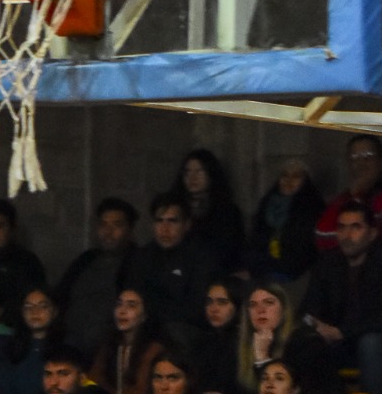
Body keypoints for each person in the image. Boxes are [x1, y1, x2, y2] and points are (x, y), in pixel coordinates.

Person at [302, 201, 382, 394]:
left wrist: (342, 332)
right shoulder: (328, 262)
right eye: (341, 227)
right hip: (341, 340)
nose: (347, 235)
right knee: (306, 341)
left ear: (372, 233)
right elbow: (309, 307)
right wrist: (316, 325)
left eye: (356, 227)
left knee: (370, 343)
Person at [125, 192, 219, 345]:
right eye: (159, 221)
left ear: (187, 224)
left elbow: (197, 308)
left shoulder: (201, 257)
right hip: (145, 328)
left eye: (172, 221)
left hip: (186, 331)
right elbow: (133, 296)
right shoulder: (142, 257)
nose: (165, 228)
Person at [55, 197, 138, 359]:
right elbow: (61, 295)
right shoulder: (86, 260)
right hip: (70, 344)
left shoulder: (137, 263)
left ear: (130, 229)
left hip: (108, 349)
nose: (108, 232)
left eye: (117, 225)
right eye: (104, 225)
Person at [246, 158, 324, 284]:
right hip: (263, 270)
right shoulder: (267, 203)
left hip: (295, 274)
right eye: (284, 175)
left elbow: (306, 249)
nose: (289, 181)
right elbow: (256, 239)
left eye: (296, 176)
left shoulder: (312, 208)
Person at [314, 133, 382, 252]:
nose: (360, 164)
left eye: (367, 157)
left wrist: (358, 195)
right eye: (354, 158)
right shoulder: (347, 197)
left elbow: (376, 230)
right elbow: (323, 237)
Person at [90, 288, 164, 394]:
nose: (122, 311)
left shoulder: (154, 350)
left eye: (131, 305)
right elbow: (93, 381)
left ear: (144, 316)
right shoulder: (108, 347)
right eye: (119, 304)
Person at [172, 147, 245, 272]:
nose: (192, 177)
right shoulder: (175, 207)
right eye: (187, 172)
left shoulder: (226, 211)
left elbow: (233, 249)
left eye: (199, 171)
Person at [4, 287, 61, 394]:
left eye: (43, 306)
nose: (35, 312)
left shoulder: (66, 345)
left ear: (54, 311)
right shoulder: (11, 345)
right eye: (28, 307)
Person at [194, 279, 242, 394]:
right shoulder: (202, 340)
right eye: (209, 302)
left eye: (222, 302)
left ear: (237, 305)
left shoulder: (243, 342)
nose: (213, 309)